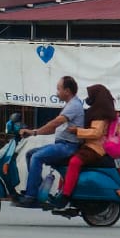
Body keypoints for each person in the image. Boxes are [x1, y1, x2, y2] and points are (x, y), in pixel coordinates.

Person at [16, 76, 84, 208]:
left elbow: (55, 123)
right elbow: (53, 129)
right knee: (30, 154)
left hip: (67, 146)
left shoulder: (74, 105)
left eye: (59, 89)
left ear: (67, 91)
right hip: (62, 144)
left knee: (37, 157)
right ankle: (36, 190)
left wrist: (33, 132)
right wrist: (34, 132)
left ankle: (31, 197)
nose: (57, 92)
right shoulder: (70, 105)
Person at [59, 84, 117, 198]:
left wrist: (77, 131)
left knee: (74, 162)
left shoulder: (100, 114)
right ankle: (61, 190)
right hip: (89, 146)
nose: (88, 99)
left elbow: (96, 133)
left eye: (90, 96)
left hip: (95, 148)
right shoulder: (97, 111)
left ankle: (66, 194)